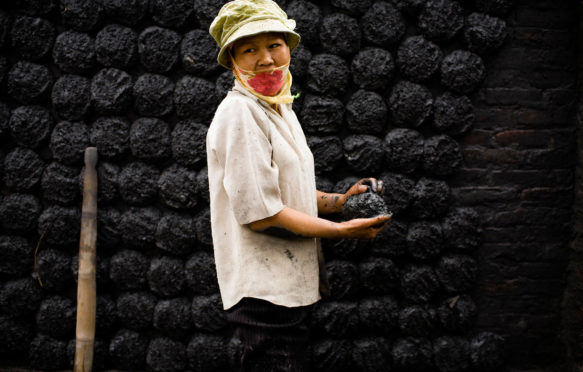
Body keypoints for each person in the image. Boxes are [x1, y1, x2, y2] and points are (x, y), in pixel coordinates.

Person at [207, 1, 391, 371]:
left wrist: (341, 202)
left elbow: (287, 193)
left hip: (287, 290)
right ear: (232, 60)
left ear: (289, 48)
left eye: (274, 45)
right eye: (249, 49)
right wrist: (343, 231)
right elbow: (263, 216)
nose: (266, 59)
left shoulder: (279, 108)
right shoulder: (240, 113)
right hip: (264, 298)